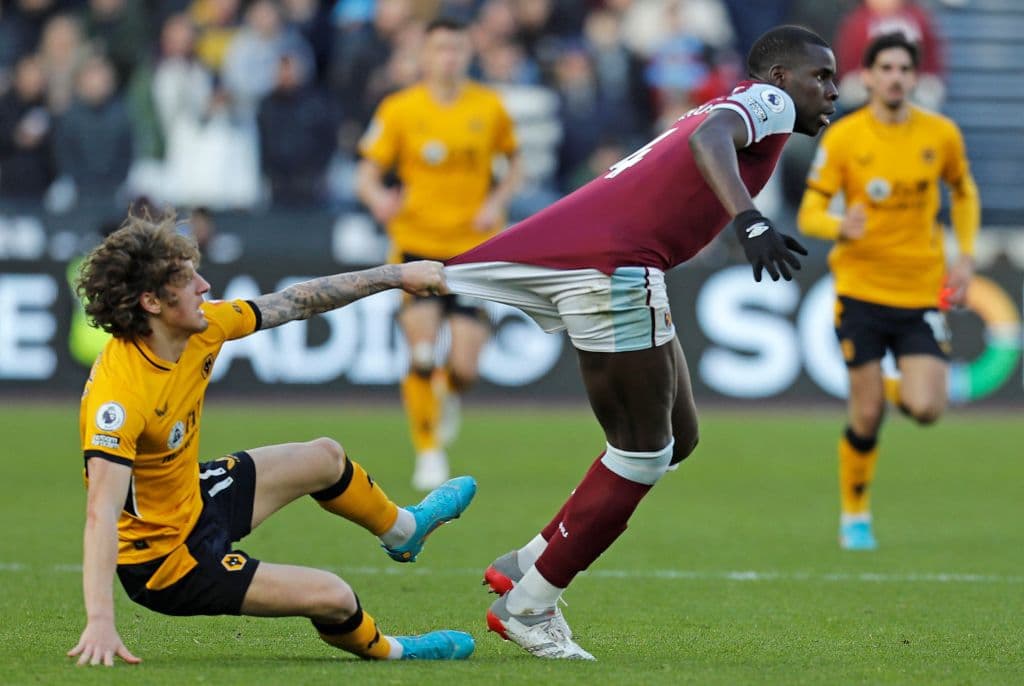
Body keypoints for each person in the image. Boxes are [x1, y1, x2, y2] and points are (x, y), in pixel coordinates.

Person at [443, 25, 839, 659]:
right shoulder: (771, 102)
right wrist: (751, 220)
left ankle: (526, 563)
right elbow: (712, 140)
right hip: (624, 266)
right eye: (821, 76)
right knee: (644, 454)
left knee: (680, 437)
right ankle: (529, 606)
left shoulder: (737, 102)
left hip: (629, 264)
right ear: (782, 77)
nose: (832, 91)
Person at [68, 210, 478, 667]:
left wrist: (397, 275)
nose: (204, 286)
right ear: (151, 302)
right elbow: (101, 512)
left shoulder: (204, 328)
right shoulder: (120, 398)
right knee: (335, 595)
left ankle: (404, 530)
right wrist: (100, 619)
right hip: (166, 563)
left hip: (193, 499)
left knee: (324, 457)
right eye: (188, 281)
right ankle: (393, 652)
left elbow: (299, 301)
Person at [796, 33, 979, 551]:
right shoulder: (845, 138)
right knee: (867, 414)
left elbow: (963, 191)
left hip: (920, 289)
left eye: (904, 68)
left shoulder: (939, 135)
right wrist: (840, 226)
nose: (896, 77)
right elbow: (811, 211)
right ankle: (855, 515)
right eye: (886, 68)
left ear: (914, 77)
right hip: (860, 290)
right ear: (869, 77)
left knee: (926, 409)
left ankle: (882, 389)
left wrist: (964, 254)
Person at [356, 16, 521, 491]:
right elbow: (366, 174)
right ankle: (428, 451)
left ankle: (448, 395)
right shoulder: (400, 109)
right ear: (425, 56)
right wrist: (379, 199)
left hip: (472, 251)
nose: (448, 57)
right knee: (422, 350)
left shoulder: (489, 107)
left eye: (456, 48)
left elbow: (514, 163)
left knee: (465, 367)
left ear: (467, 54)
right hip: (415, 245)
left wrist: (496, 201)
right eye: (440, 49)